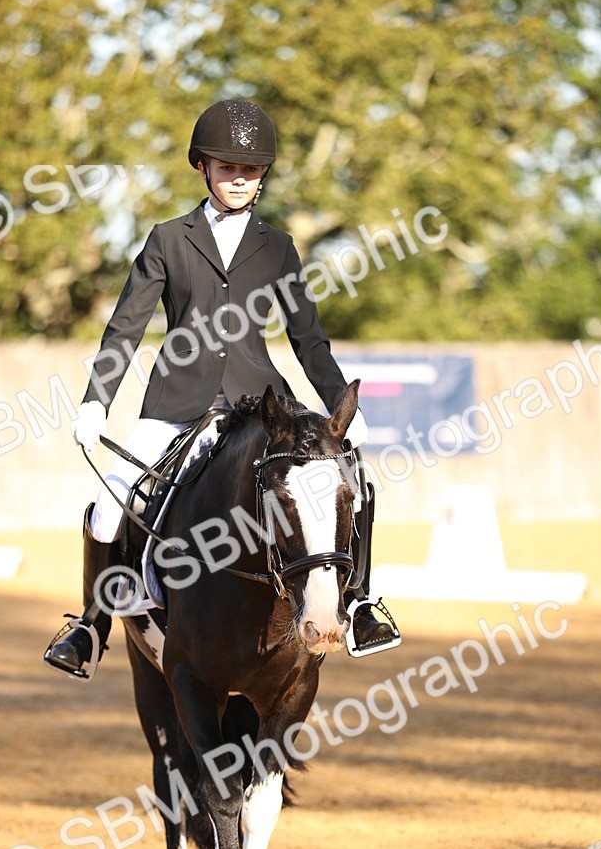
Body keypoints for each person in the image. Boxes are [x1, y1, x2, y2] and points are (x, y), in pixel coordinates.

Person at [44, 98, 400, 679]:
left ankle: (358, 604)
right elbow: (125, 327)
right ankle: (89, 625)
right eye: (227, 166)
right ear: (202, 167)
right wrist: (95, 399)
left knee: (356, 485)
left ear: (263, 175)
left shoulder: (278, 247)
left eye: (251, 169)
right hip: (175, 402)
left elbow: (309, 339)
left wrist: (340, 405)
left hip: (261, 407)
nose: (240, 178)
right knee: (108, 507)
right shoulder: (167, 239)